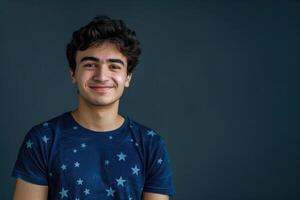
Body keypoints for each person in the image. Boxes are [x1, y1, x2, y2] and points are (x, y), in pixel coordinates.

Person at [11, 15, 175, 200]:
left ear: (128, 77)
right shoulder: (43, 139)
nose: (102, 76)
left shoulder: (151, 144)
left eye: (114, 66)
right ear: (73, 73)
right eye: (90, 65)